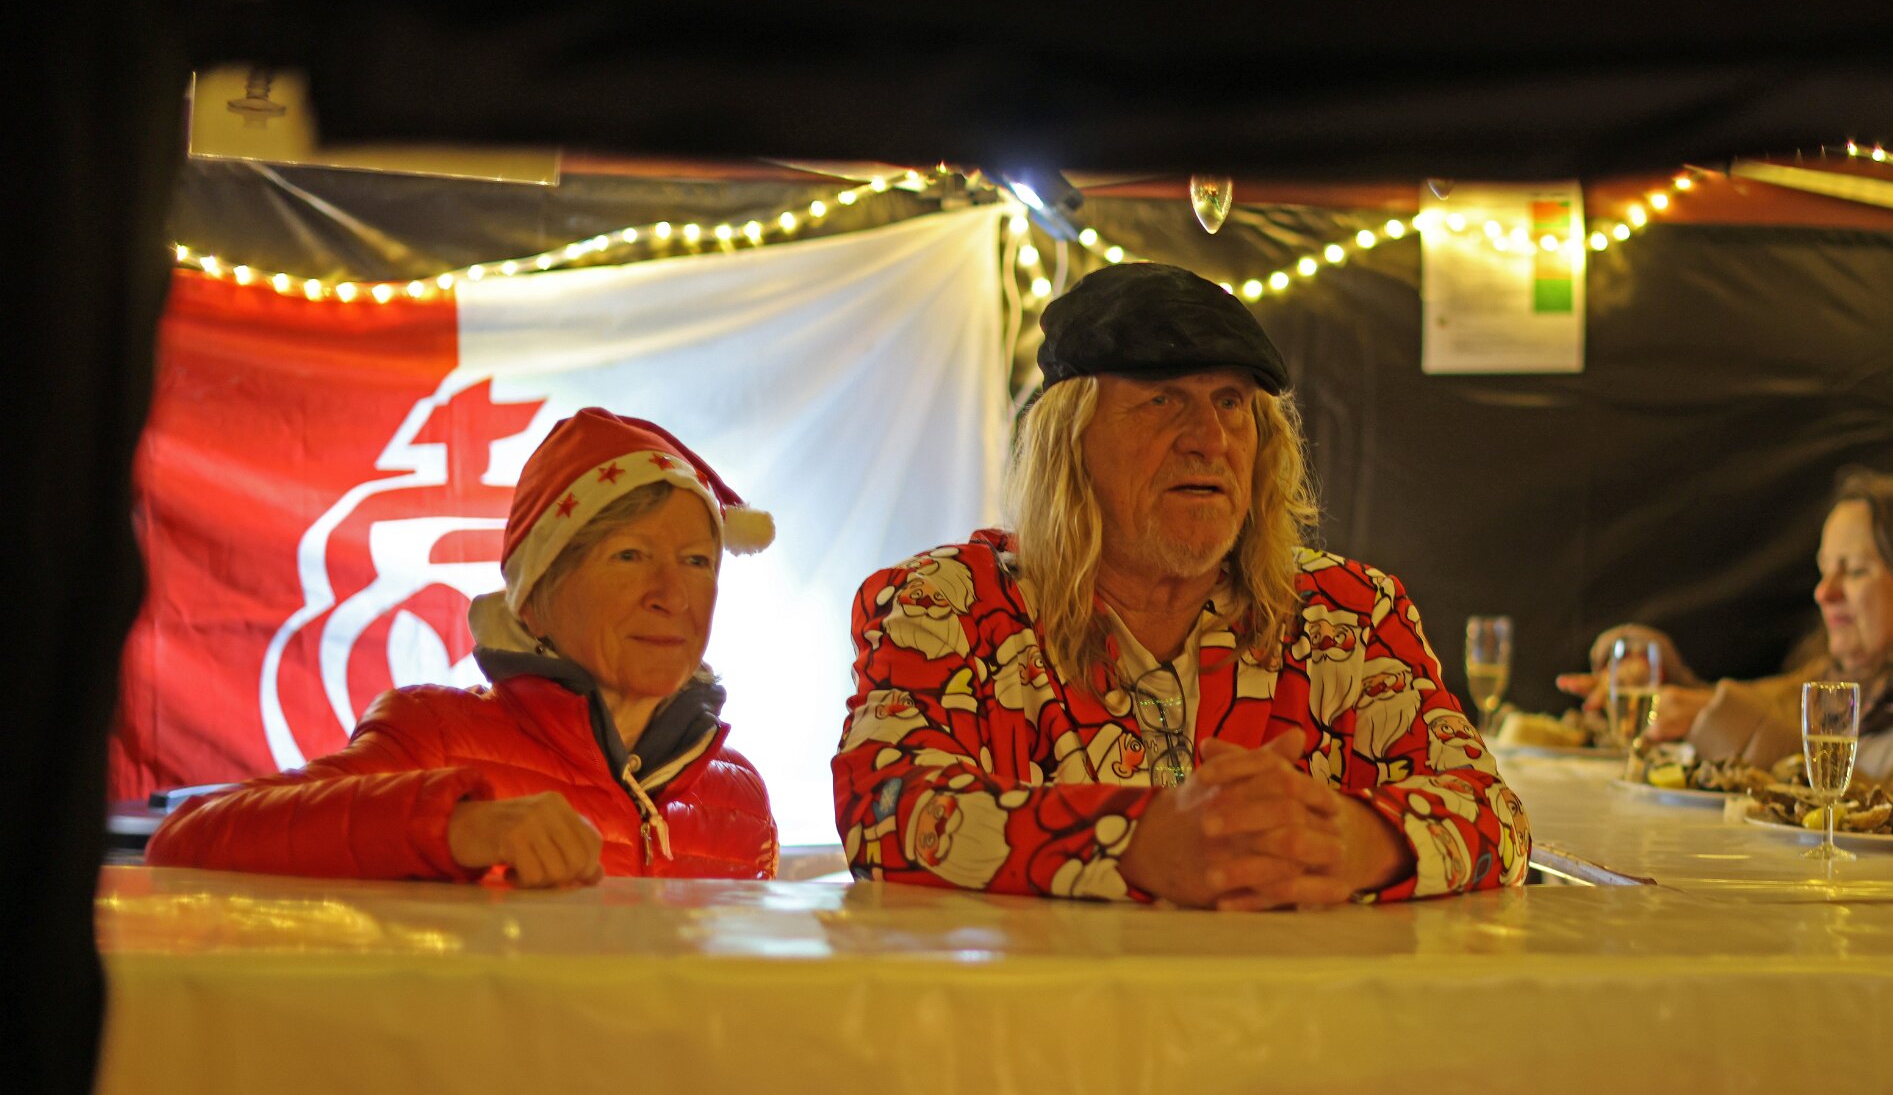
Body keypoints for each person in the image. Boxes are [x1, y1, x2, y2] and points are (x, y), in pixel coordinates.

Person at [833, 261, 1528, 906]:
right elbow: (884, 806)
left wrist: (1353, 840)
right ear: (1067, 442)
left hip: (1291, 1001)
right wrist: (1139, 841)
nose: (1209, 439)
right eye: (1161, 400)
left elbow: (1494, 813)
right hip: (1047, 1002)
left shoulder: (1349, 614)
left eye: (1230, 403)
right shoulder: (946, 604)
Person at [150, 408, 779, 884]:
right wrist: (453, 827)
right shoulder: (436, 737)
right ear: (533, 601)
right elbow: (187, 840)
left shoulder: (740, 798)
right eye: (630, 556)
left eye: (696, 562)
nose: (672, 596)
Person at [1581, 470, 1893, 799]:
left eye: (1854, 571)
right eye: (1824, 570)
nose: (1824, 593)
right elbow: (1747, 711)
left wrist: (1709, 717)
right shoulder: (1826, 682)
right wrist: (1669, 687)